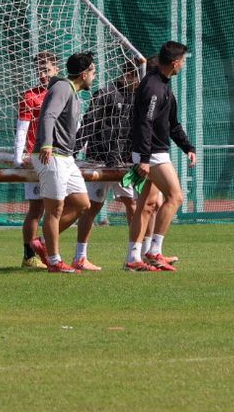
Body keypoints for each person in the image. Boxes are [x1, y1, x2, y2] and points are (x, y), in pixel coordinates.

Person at [127, 40, 196, 272]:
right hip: (152, 154)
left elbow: (172, 124)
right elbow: (145, 123)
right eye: (183, 62)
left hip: (153, 152)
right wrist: (144, 159)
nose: (183, 65)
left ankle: (133, 257)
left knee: (146, 206)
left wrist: (188, 147)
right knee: (175, 197)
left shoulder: (164, 83)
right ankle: (154, 251)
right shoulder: (154, 87)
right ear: (175, 63)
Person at [70, 57, 144, 271]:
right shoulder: (105, 93)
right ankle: (80, 256)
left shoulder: (137, 97)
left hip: (123, 162)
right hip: (99, 161)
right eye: (138, 77)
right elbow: (88, 125)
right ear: (129, 74)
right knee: (91, 208)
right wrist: (73, 151)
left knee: (132, 204)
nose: (140, 83)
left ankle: (133, 256)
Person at [31, 52, 95, 273]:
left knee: (82, 204)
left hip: (66, 157)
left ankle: (42, 242)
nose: (93, 77)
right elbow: (48, 116)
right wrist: (47, 144)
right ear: (84, 73)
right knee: (55, 209)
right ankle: (54, 260)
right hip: (52, 155)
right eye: (93, 72)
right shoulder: (63, 87)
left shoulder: (74, 93)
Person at [17, 51, 60, 269]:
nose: (42, 74)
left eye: (47, 70)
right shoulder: (30, 96)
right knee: (36, 209)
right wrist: (18, 157)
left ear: (57, 70)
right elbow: (22, 128)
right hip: (36, 158)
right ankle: (29, 254)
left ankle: (47, 248)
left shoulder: (62, 93)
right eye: (39, 70)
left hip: (58, 158)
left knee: (62, 205)